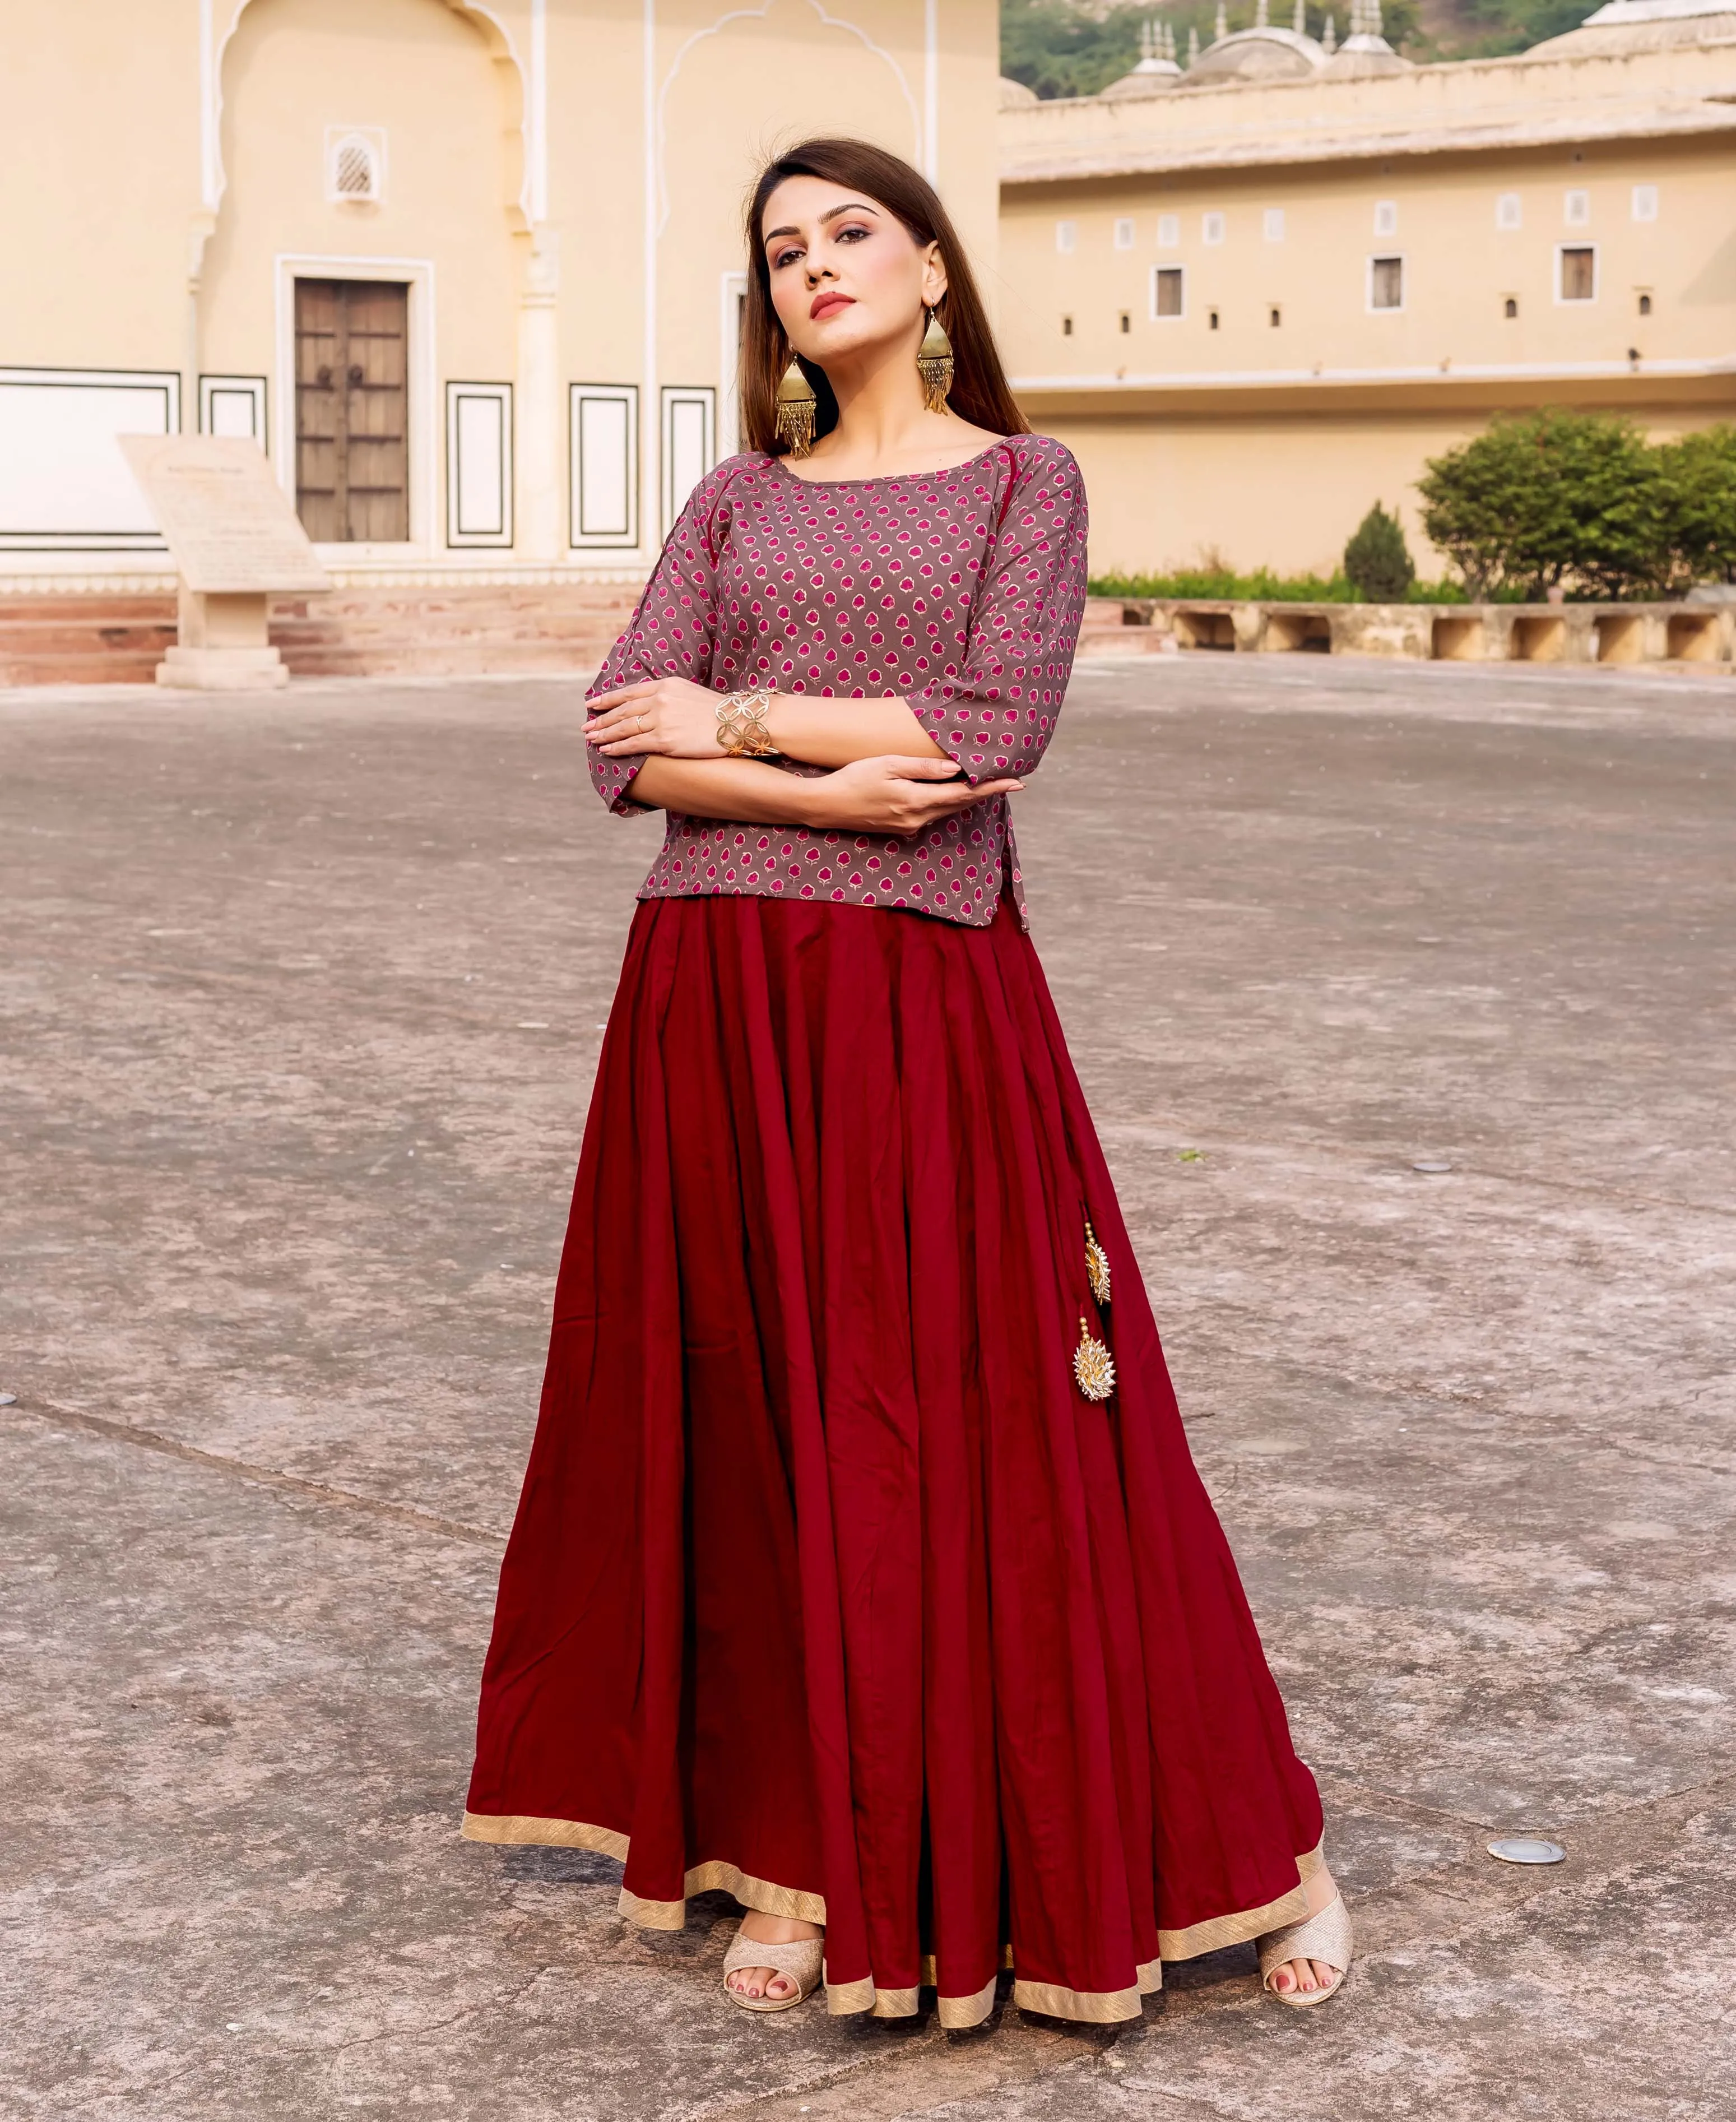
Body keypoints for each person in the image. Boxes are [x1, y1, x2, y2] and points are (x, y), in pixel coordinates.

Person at [462, 136, 1351, 2026]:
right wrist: (819, 789)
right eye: (780, 247)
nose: (814, 266)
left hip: (924, 999)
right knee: (762, 1408)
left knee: (980, 1404)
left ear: (937, 269)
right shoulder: (733, 499)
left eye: (851, 231)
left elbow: (995, 727)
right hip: (716, 988)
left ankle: (1212, 1837)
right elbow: (627, 738)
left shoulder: (1027, 484)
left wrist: (753, 724)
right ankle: (787, 1844)